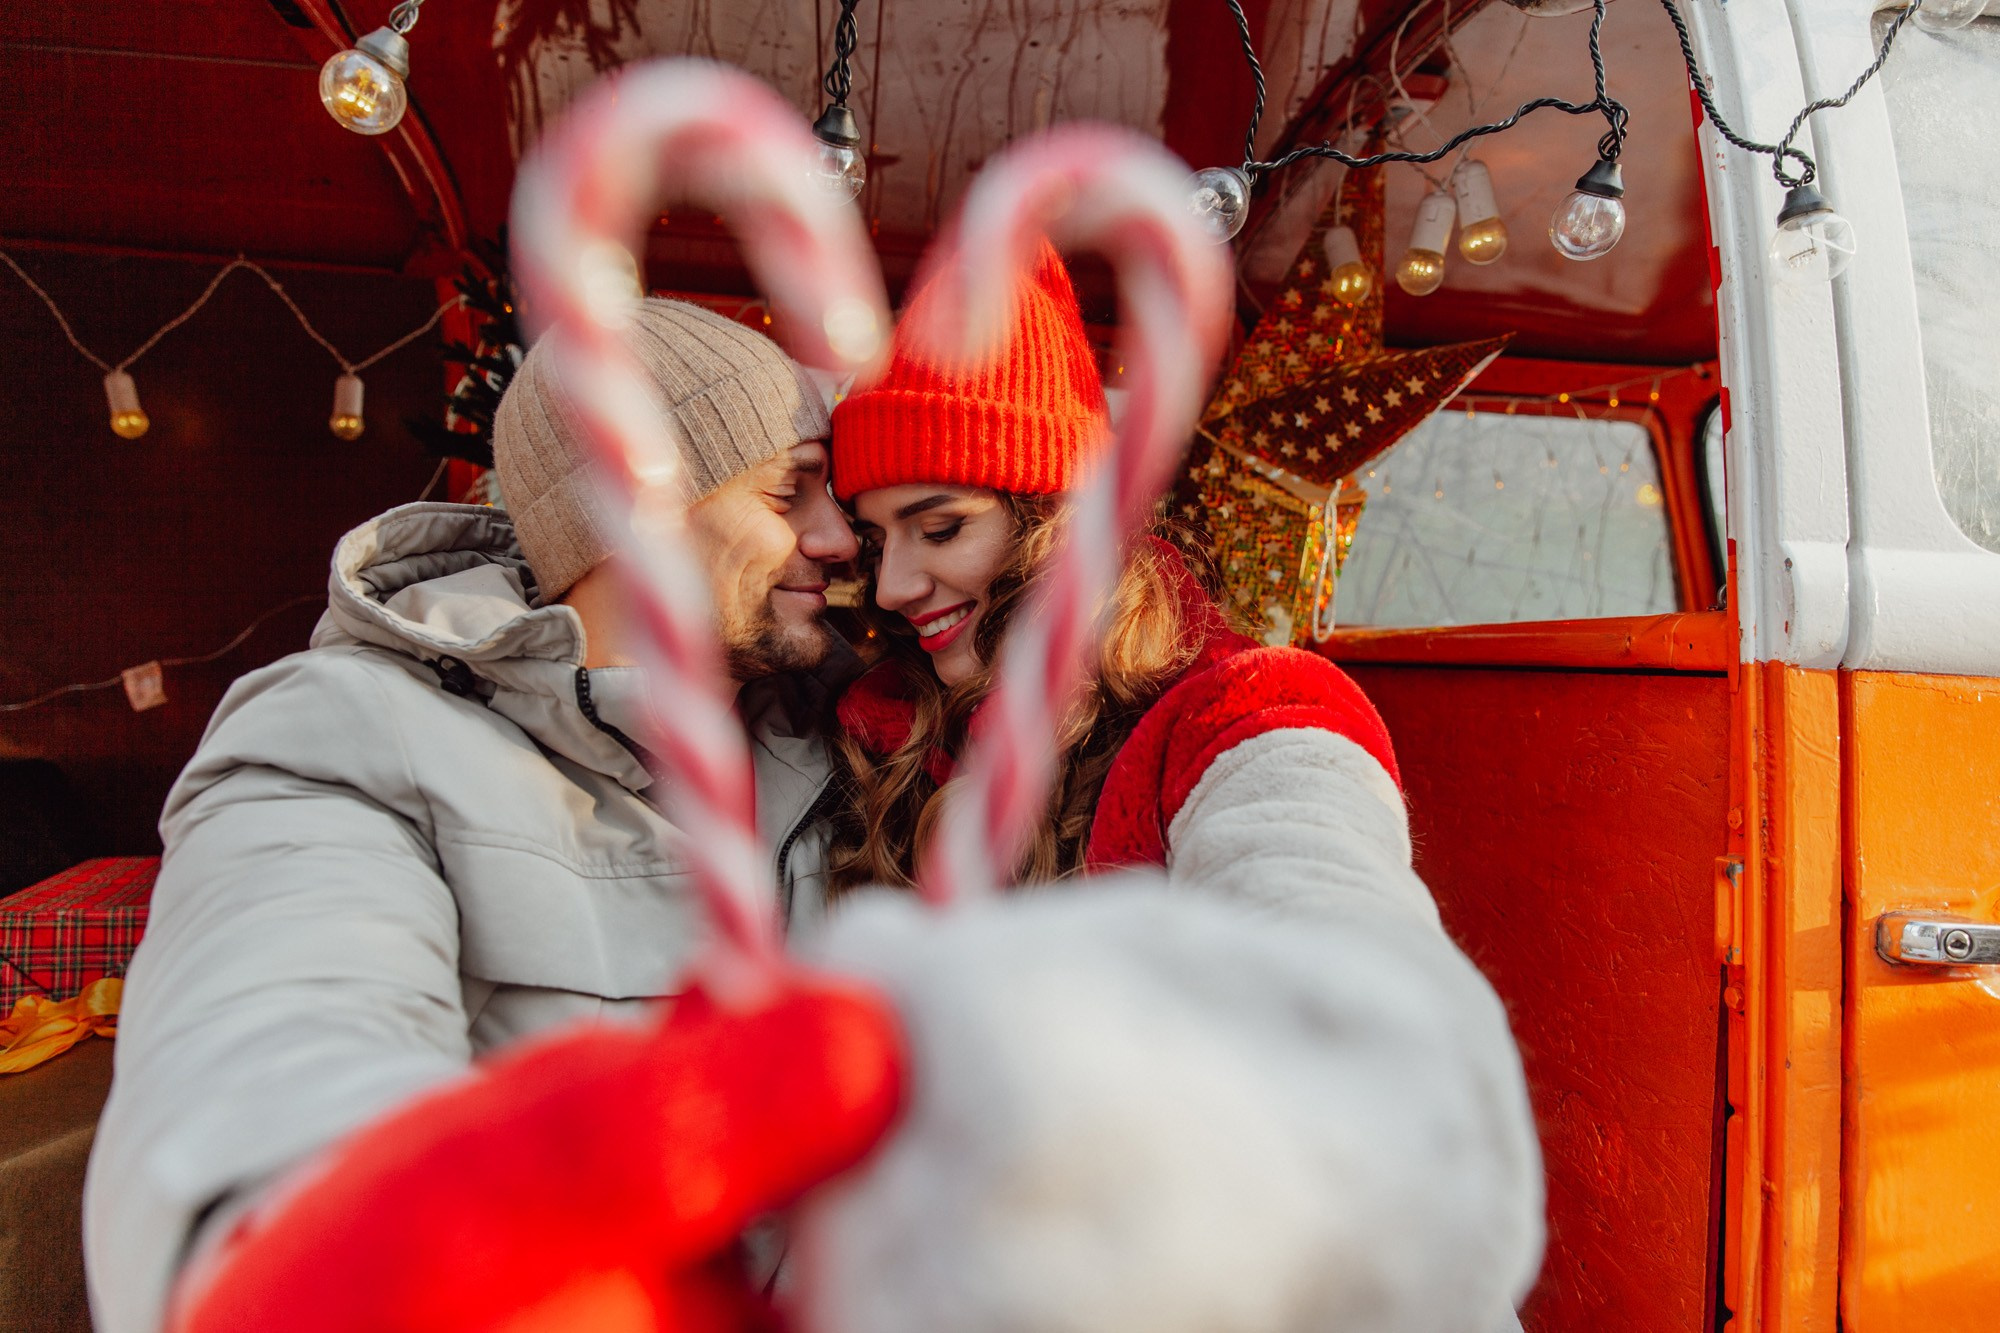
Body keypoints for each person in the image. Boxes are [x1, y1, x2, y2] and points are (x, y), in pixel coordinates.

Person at [82, 300, 904, 1333]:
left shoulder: (837, 732)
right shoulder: (343, 736)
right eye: (792, 489)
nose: (839, 540)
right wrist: (374, 1260)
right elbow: (266, 1051)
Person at [808, 244, 1544, 1332]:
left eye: (940, 524)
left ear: (1057, 518)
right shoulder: (894, 728)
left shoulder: (1246, 712)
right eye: (876, 537)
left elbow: (1362, 992)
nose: (894, 582)